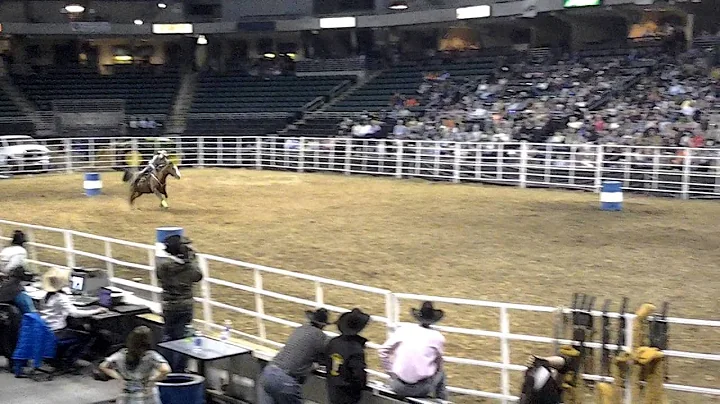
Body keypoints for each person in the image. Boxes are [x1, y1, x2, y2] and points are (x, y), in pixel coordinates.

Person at [257, 308, 330, 404]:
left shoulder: (299, 330)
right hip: (286, 380)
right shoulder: (321, 338)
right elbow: (325, 357)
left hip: (268, 372)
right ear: (323, 325)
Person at [378, 301, 447, 400]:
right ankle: (441, 400)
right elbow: (439, 364)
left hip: (397, 385)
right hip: (421, 388)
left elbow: (383, 350)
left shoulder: (404, 330)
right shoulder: (438, 337)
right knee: (441, 374)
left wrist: (390, 371)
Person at [39, 267, 107, 366]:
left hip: (46, 329)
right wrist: (96, 311)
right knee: (86, 336)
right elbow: (75, 313)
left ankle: (58, 357)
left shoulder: (45, 296)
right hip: (57, 331)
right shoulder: (60, 297)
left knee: (76, 328)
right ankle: (69, 361)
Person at [156, 234, 202, 372]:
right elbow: (198, 276)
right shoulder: (189, 267)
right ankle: (180, 369)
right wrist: (192, 259)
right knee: (184, 338)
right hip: (185, 305)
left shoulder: (163, 266)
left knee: (169, 336)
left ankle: (166, 368)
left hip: (169, 306)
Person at [99, 326, 171, 404]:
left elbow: (103, 366)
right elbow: (166, 370)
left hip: (127, 395)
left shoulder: (121, 354)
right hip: (147, 394)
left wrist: (119, 377)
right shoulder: (152, 356)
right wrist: (152, 380)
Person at [325, 308, 370, 404]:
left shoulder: (333, 342)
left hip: (333, 388)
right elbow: (358, 374)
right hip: (349, 393)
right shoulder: (355, 349)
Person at [0, 230, 35, 313]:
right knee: (30, 310)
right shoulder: (21, 252)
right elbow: (14, 267)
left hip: (4, 282)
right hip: (11, 288)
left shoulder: (5, 250)